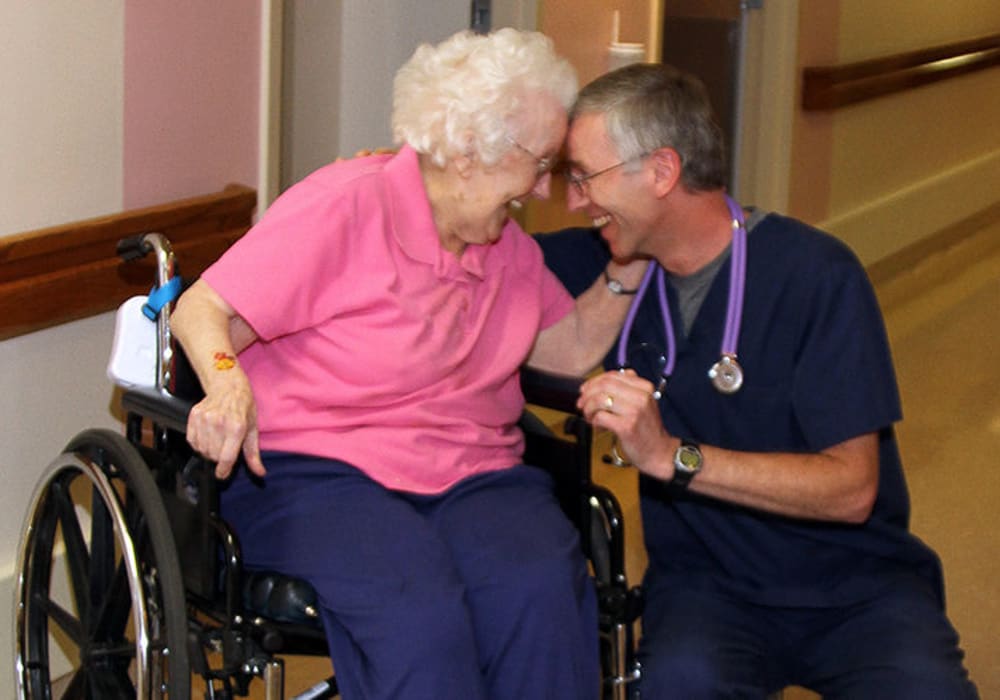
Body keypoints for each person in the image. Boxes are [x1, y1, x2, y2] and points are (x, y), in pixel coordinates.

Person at [171, 29, 645, 700]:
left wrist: (635, 254)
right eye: (539, 163)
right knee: (418, 613)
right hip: (320, 473)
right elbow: (202, 309)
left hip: (473, 473)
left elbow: (565, 350)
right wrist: (226, 388)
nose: (544, 189)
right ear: (466, 151)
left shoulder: (502, 243)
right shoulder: (346, 204)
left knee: (539, 587)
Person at [537, 63, 978, 699]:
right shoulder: (610, 257)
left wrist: (672, 457)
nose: (575, 200)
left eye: (585, 178)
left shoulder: (816, 275)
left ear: (662, 172)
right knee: (678, 686)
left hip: (856, 588)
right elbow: (471, 240)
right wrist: (407, 176)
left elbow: (852, 489)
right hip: (706, 591)